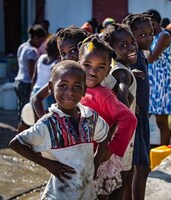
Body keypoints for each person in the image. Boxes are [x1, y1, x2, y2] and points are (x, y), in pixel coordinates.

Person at [10, 60, 110, 199]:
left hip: (86, 194)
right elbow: (16, 144)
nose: (69, 92)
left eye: (77, 87)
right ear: (51, 87)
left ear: (84, 91)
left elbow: (105, 135)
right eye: (63, 85)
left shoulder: (90, 117)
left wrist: (96, 161)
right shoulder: (47, 124)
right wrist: (48, 164)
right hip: (58, 195)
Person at [77, 34, 137, 200]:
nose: (92, 72)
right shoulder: (77, 91)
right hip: (82, 157)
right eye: (87, 65)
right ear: (78, 63)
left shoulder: (103, 95)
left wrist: (112, 150)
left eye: (100, 67)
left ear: (108, 71)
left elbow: (129, 119)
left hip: (99, 162)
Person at [102, 23, 138, 200]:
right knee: (119, 185)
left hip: (123, 137)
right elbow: (123, 102)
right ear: (112, 50)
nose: (131, 48)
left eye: (132, 42)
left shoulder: (122, 70)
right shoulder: (122, 74)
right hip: (122, 139)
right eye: (123, 45)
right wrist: (129, 103)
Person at [123, 13, 154, 200]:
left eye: (150, 33)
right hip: (135, 117)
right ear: (131, 35)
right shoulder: (133, 55)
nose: (149, 38)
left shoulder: (140, 55)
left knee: (138, 167)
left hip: (141, 117)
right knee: (140, 167)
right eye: (142, 34)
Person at [32, 25, 90, 117]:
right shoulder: (62, 75)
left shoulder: (93, 75)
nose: (67, 57)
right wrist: (47, 123)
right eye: (63, 53)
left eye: (73, 50)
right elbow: (37, 98)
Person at [146, 9, 171, 146]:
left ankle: (164, 151)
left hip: (161, 84)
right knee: (144, 120)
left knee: (161, 122)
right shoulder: (151, 37)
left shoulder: (164, 36)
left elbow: (151, 58)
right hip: (150, 83)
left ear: (155, 23)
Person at [14, 24, 47, 132]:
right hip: (26, 83)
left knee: (22, 109)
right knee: (26, 113)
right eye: (40, 41)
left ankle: (21, 134)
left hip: (18, 81)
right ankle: (22, 136)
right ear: (35, 37)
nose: (41, 44)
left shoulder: (22, 46)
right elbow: (32, 72)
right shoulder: (31, 51)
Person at [31, 35, 60, 112]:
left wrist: (31, 92)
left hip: (35, 91)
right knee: (47, 119)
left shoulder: (41, 58)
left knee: (37, 120)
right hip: (46, 94)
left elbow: (34, 77)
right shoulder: (56, 63)